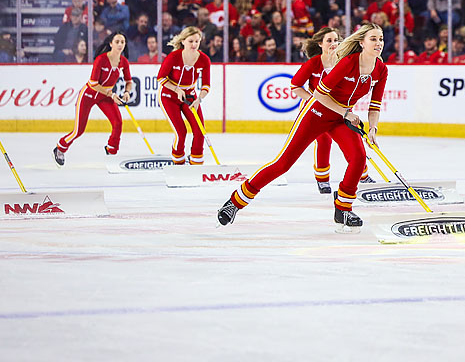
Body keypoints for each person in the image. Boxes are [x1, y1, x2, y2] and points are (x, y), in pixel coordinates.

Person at [218, 23, 388, 231]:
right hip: (316, 114)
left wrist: (372, 129)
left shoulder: (381, 69)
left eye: (380, 39)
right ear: (361, 42)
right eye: (373, 39)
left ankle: (343, 208)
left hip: (339, 119)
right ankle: (235, 201)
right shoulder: (347, 63)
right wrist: (345, 112)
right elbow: (318, 94)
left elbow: (375, 105)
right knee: (283, 164)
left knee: (359, 158)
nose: (378, 43)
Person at [290, 28, 373, 194]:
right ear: (320, 44)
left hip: (340, 110)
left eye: (336, 40)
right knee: (324, 141)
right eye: (329, 41)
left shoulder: (344, 61)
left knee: (353, 140)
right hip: (316, 111)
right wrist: (314, 100)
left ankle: (363, 175)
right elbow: (295, 86)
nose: (334, 44)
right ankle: (322, 179)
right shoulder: (314, 63)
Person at [53, 32, 133, 165]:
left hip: (105, 96)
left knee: (118, 122)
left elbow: (129, 81)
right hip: (89, 95)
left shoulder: (123, 62)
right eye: (117, 42)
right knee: (79, 131)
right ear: (111, 44)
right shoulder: (101, 60)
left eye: (122, 42)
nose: (120, 45)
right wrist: (111, 94)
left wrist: (127, 92)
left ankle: (111, 151)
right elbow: (93, 83)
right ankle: (60, 147)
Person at [157, 27, 211, 165]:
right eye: (191, 41)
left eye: (197, 41)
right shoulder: (174, 57)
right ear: (183, 41)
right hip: (169, 96)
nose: (194, 44)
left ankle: (196, 163)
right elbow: (161, 78)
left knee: (199, 131)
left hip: (190, 97)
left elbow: (206, 85)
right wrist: (176, 89)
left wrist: (199, 99)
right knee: (181, 132)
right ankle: (178, 161)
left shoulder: (204, 60)